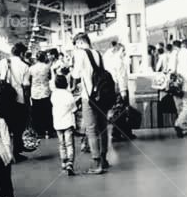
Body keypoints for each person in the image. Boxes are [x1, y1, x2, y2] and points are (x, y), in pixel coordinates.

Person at [70, 32, 110, 174]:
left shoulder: (80, 54)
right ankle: (104, 159)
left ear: (80, 42)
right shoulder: (98, 53)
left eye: (76, 45)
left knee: (92, 130)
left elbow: (75, 75)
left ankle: (97, 163)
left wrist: (73, 86)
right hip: (102, 96)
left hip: (89, 97)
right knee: (103, 128)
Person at [0, 43, 32, 162]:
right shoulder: (25, 66)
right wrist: (28, 104)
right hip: (19, 100)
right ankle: (16, 153)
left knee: (5, 127)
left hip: (4, 100)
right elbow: (26, 86)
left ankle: (6, 154)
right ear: (21, 53)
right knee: (17, 128)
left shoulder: (3, 62)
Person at [103, 39, 133, 141]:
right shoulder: (119, 62)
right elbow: (121, 77)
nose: (124, 53)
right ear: (119, 50)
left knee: (118, 111)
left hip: (112, 88)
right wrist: (123, 91)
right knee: (121, 112)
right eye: (123, 51)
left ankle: (121, 133)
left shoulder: (109, 59)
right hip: (120, 89)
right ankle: (118, 133)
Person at [51, 73, 77, 175]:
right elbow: (74, 109)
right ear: (66, 83)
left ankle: (63, 162)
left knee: (61, 144)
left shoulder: (54, 95)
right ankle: (70, 163)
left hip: (57, 123)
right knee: (69, 144)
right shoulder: (69, 95)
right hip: (68, 123)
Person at [28, 51, 53, 138]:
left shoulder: (31, 68)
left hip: (35, 92)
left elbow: (29, 80)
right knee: (47, 112)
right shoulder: (47, 67)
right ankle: (49, 130)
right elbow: (50, 78)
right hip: (46, 91)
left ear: (37, 59)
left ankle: (39, 131)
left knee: (37, 112)